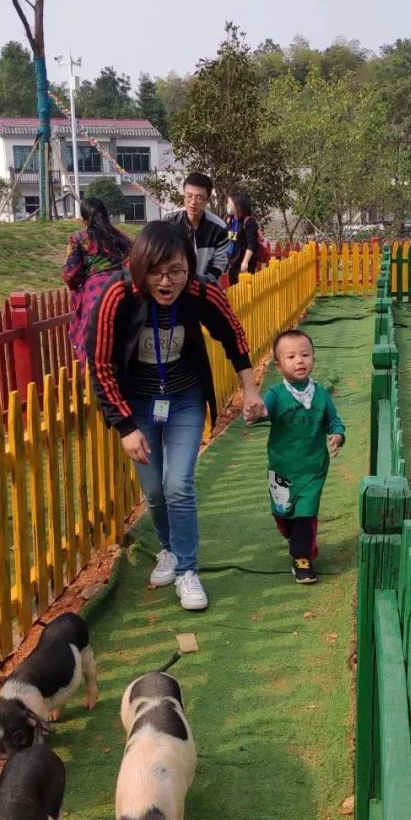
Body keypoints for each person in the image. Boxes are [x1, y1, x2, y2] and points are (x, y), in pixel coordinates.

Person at [87, 219, 262, 611]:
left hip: (184, 397)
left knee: (178, 483)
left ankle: (187, 570)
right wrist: (126, 426)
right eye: (156, 272)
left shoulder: (200, 290)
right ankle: (167, 549)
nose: (166, 282)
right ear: (140, 267)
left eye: (176, 271)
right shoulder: (118, 293)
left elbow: (231, 333)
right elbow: (99, 365)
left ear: (188, 265)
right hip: (138, 403)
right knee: (152, 489)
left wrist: (250, 388)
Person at [249, 329, 345, 583]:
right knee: (284, 515)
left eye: (305, 354)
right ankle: (295, 536)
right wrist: (255, 413)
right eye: (291, 356)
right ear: (279, 365)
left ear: (313, 357)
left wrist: (337, 435)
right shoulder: (276, 394)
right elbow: (263, 411)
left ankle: (302, 558)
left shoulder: (321, 394)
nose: (299, 361)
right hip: (282, 468)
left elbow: (334, 420)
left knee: (306, 512)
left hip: (313, 468)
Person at [62, 195, 132, 367]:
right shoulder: (121, 236)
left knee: (94, 342)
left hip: (95, 294)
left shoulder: (78, 239)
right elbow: (136, 258)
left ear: (84, 220)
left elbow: (70, 274)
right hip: (123, 288)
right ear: (106, 215)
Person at [164, 172, 231, 284]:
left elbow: (219, 263)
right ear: (184, 196)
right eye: (189, 196)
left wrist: (204, 283)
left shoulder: (219, 228)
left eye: (199, 198)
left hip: (205, 287)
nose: (193, 202)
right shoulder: (169, 221)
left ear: (207, 200)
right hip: (173, 285)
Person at [225, 188, 261, 284]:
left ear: (237, 205)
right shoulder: (230, 220)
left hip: (243, 263)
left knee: (244, 291)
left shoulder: (249, 222)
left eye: (229, 203)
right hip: (232, 262)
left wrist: (245, 262)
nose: (227, 206)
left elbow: (251, 244)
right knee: (234, 289)